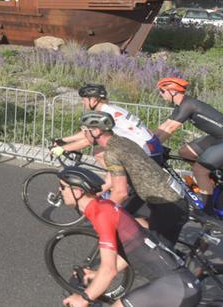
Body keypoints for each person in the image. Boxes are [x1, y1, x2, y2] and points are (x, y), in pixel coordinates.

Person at [55, 166, 200, 307]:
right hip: (179, 284)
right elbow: (132, 248)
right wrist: (97, 274)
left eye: (62, 187)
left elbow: (109, 270)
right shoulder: (105, 206)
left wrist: (84, 298)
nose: (59, 190)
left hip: (175, 288)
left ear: (78, 191)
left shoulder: (102, 216)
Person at [78, 112, 188, 247]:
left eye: (85, 130)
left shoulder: (112, 153)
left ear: (95, 131)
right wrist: (94, 195)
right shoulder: (123, 141)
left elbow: (120, 193)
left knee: (158, 253)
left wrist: (103, 215)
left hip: (168, 204)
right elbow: (113, 180)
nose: (84, 134)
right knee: (129, 218)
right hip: (166, 197)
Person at [52, 84, 164, 164]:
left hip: (145, 152)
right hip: (152, 146)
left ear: (93, 100)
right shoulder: (111, 108)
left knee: (99, 154)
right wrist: (63, 140)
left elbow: (89, 140)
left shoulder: (104, 115)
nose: (82, 102)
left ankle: (117, 184)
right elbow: (87, 133)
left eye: (84, 99)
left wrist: (63, 149)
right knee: (99, 152)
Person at [154, 77, 223, 202]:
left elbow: (171, 128)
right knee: (185, 152)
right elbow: (164, 126)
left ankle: (207, 209)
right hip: (217, 137)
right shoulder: (180, 105)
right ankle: (209, 182)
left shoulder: (188, 105)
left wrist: (152, 147)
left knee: (199, 170)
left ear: (173, 91)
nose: (160, 94)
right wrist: (148, 140)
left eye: (162, 91)